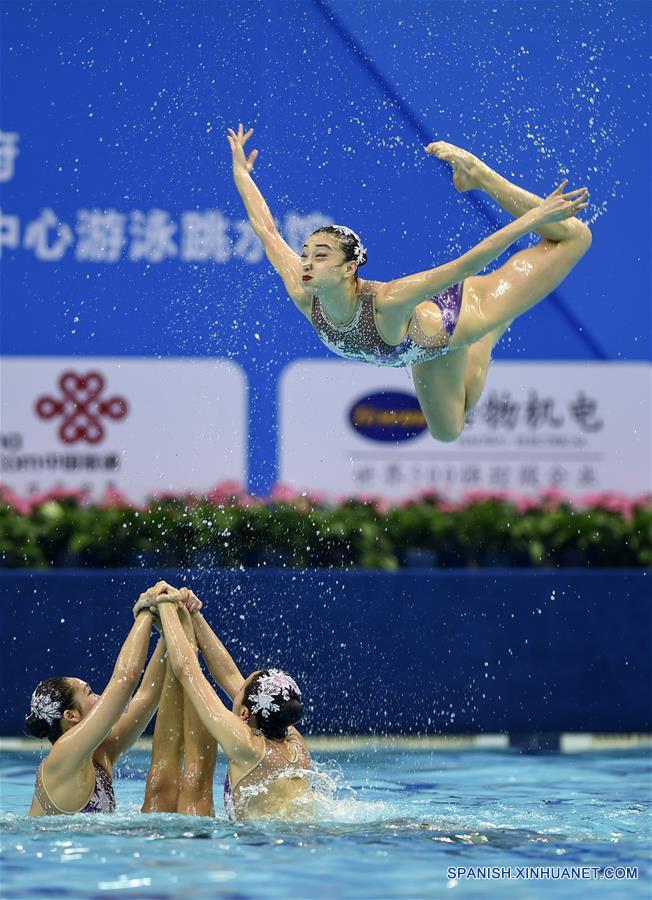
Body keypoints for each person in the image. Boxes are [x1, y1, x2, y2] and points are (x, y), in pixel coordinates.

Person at [227, 124, 592, 442]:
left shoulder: (386, 302)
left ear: (348, 269)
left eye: (320, 256)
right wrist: (242, 174)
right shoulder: (304, 292)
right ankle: (488, 334)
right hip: (426, 349)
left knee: (575, 237)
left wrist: (535, 217)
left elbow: (466, 265)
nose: (305, 261)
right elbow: (267, 230)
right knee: (447, 431)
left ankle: (481, 177)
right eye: (306, 253)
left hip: (459, 315)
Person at [147, 584, 312, 820]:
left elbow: (188, 672)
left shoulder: (248, 746)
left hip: (260, 847)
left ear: (245, 712)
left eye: (242, 687)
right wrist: (194, 614)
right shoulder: (295, 741)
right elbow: (229, 675)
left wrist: (166, 608)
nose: (238, 682)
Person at [25, 582, 170, 816]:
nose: (101, 697)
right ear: (71, 715)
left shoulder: (100, 752)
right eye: (90, 693)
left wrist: (169, 628)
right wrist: (145, 610)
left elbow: (147, 696)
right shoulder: (64, 756)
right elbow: (125, 680)